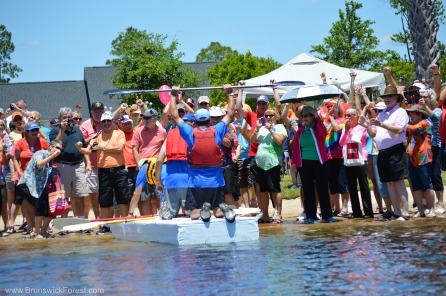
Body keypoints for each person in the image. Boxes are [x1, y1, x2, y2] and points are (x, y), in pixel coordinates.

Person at [169, 85, 236, 222]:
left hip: (196, 182)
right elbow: (230, 114)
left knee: (192, 212)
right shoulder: (217, 130)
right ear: (209, 119)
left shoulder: (190, 132)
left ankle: (202, 210)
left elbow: (175, 116)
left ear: (195, 121)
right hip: (216, 181)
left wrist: (173, 95)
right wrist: (229, 93)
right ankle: (221, 209)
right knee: (217, 211)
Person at [359, 85, 410, 221]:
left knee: (398, 182)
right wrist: (367, 126)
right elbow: (374, 134)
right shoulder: (382, 114)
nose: (387, 99)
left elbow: (399, 130)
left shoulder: (400, 112)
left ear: (396, 98)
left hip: (395, 151)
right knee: (389, 183)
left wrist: (382, 125)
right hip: (382, 152)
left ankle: (405, 213)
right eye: (385, 96)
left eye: (390, 96)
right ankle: (397, 212)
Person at [78, 112, 128, 233]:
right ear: (101, 123)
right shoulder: (97, 135)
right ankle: (107, 225)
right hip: (104, 171)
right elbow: (88, 150)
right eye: (104, 121)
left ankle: (126, 223)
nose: (106, 123)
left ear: (112, 122)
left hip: (119, 170)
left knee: (123, 198)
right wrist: (80, 148)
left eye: (108, 121)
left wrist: (102, 148)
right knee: (105, 200)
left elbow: (120, 148)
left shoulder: (119, 133)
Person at [291, 106, 336, 224]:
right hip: (304, 163)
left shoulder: (317, 127)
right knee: (308, 189)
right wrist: (294, 163)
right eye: (302, 116)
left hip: (319, 162)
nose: (304, 118)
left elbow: (324, 132)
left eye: (306, 115)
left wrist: (318, 118)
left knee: (322, 188)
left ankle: (327, 215)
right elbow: (296, 148)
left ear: (312, 117)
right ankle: (310, 215)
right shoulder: (300, 130)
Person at [16, 138, 61, 239]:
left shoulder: (52, 159)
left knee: (50, 207)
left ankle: (43, 231)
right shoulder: (40, 153)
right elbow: (39, 164)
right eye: (57, 148)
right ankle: (36, 232)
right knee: (39, 204)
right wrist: (52, 155)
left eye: (60, 149)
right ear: (51, 147)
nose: (59, 151)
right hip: (26, 184)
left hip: (39, 187)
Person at [50, 107, 90, 218]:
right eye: (65, 117)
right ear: (59, 119)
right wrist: (62, 130)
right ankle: (64, 222)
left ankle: (81, 220)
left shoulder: (77, 130)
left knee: (81, 195)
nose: (67, 120)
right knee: (63, 196)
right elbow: (54, 146)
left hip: (78, 165)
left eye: (69, 117)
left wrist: (88, 163)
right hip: (63, 166)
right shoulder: (55, 130)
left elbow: (84, 148)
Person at [251, 108, 287, 223]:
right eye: (266, 115)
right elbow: (252, 140)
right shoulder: (261, 128)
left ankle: (278, 214)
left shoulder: (280, 127)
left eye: (271, 115)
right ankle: (265, 214)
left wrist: (271, 130)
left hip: (273, 162)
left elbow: (280, 141)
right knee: (263, 190)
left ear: (276, 116)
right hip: (260, 163)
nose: (268, 117)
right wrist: (256, 129)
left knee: (275, 188)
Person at [128, 108, 166, 216]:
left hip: (158, 164)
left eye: (148, 118)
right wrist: (138, 164)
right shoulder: (138, 131)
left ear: (155, 119)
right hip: (144, 164)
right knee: (138, 191)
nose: (145, 120)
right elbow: (134, 149)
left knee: (160, 191)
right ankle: (130, 214)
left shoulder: (162, 131)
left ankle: (164, 213)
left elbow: (165, 148)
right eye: (144, 117)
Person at [155, 104, 190, 219]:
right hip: (188, 181)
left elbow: (159, 160)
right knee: (191, 215)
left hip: (171, 181)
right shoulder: (192, 135)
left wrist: (158, 181)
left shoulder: (169, 136)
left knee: (169, 216)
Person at [339, 108, 374, 218]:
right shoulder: (346, 128)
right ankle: (356, 211)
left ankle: (368, 211)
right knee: (352, 186)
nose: (348, 117)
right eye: (346, 115)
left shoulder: (361, 127)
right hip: (349, 159)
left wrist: (350, 131)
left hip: (361, 158)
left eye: (350, 115)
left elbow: (357, 139)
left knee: (364, 185)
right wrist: (346, 130)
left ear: (356, 116)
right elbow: (341, 143)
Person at [405, 105, 436, 217]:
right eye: (410, 113)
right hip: (412, 158)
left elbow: (413, 129)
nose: (410, 115)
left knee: (426, 185)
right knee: (415, 185)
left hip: (423, 158)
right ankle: (420, 210)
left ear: (420, 114)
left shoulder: (425, 123)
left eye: (413, 113)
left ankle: (431, 208)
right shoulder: (411, 125)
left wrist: (399, 124)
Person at [419, 89, 445, 214]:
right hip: (423, 148)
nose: (423, 99)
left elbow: (436, 119)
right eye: (421, 97)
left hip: (435, 146)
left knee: (435, 175)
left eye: (425, 97)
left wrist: (424, 107)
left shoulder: (437, 109)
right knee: (425, 176)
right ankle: (427, 204)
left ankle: (441, 203)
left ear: (432, 98)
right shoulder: (420, 111)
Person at [80, 101, 105, 219]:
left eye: (100, 111)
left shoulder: (107, 122)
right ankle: (97, 216)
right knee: (93, 192)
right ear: (91, 112)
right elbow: (82, 144)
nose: (98, 113)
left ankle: (105, 216)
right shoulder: (85, 125)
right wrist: (94, 137)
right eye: (96, 111)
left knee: (105, 191)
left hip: (106, 164)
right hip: (93, 164)